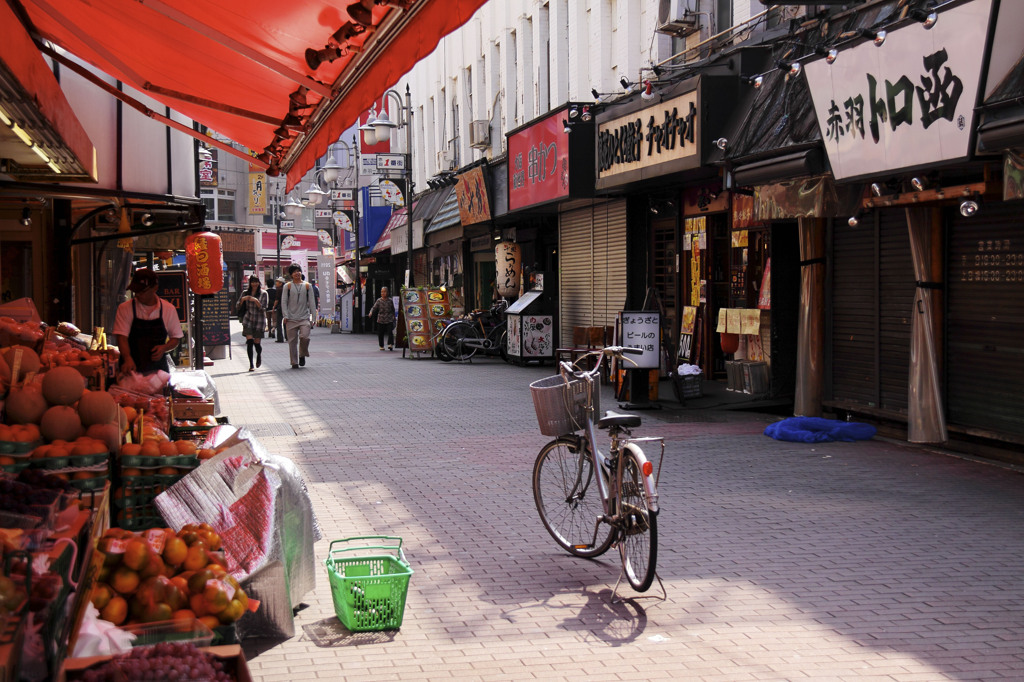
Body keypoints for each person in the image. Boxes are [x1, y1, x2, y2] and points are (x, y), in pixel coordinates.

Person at [113, 267, 183, 376]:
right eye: (136, 291)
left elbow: (175, 338)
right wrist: (127, 358)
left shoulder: (168, 309)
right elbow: (121, 337)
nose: (138, 294)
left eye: (142, 291)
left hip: (158, 371)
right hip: (131, 369)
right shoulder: (125, 308)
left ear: (155, 288)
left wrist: (164, 348)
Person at [281, 264, 316, 368]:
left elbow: (312, 302)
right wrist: (285, 315)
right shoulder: (287, 286)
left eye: (298, 271)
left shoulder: (307, 286)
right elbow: (284, 301)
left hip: (304, 318)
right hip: (291, 318)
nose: (297, 273)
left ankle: (302, 354)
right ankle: (294, 362)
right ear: (291, 275)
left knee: (305, 337)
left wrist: (313, 317)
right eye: (294, 272)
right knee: (292, 342)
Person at [236, 275, 268, 372]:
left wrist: (256, 301)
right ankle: (251, 364)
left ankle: (258, 355)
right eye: (252, 282)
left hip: (259, 320)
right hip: (248, 319)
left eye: (256, 282)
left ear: (259, 283)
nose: (254, 284)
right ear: (250, 283)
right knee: (249, 342)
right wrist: (243, 300)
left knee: (257, 343)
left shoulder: (264, 293)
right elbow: (238, 306)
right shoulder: (245, 292)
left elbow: (263, 308)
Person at [368, 286, 396, 351]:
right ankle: (381, 345)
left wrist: (394, 316)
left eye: (384, 292)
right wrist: (371, 312)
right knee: (380, 333)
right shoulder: (379, 301)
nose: (383, 293)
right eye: (382, 292)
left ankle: (390, 344)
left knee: (390, 332)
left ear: (387, 292)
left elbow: (393, 309)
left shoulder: (390, 300)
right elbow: (374, 308)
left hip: (389, 318)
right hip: (381, 319)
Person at [272, 277, 285, 342]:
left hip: (280, 307)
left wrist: (274, 307)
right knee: (286, 322)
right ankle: (287, 337)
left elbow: (277, 300)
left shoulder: (279, 289)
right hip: (286, 307)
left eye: (277, 282)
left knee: (278, 323)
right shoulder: (286, 289)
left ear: (280, 283)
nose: (276, 283)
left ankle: (280, 338)